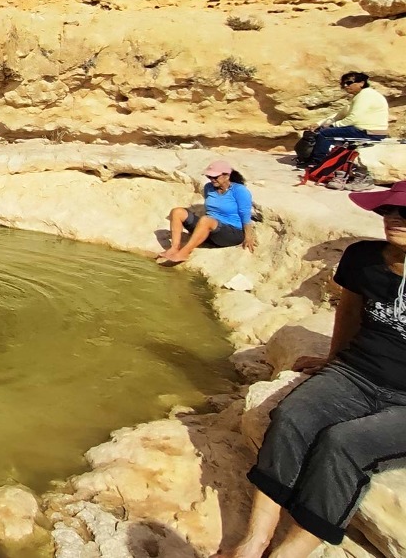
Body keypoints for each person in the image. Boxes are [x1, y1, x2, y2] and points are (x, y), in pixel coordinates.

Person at [216, 181, 406, 558]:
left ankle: (290, 553)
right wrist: (334, 358)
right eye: (388, 210)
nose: (394, 218)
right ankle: (253, 543)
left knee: (344, 443)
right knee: (290, 417)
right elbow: (349, 311)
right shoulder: (363, 257)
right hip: (356, 373)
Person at [157, 160, 256, 264]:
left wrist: (248, 237)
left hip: (231, 233)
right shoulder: (208, 188)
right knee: (177, 212)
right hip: (209, 229)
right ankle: (174, 248)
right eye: (209, 177)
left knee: (206, 220)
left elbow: (245, 214)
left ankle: (184, 253)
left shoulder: (239, 191)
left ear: (226, 176)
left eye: (215, 177)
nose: (211, 180)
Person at [306, 71, 389, 165]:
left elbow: (353, 118)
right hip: (365, 130)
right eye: (343, 84)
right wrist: (319, 123)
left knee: (324, 133)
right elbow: (341, 114)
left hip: (369, 132)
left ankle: (317, 162)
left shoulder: (366, 96)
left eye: (349, 83)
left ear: (361, 83)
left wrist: (332, 125)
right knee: (323, 129)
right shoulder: (361, 96)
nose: (345, 86)